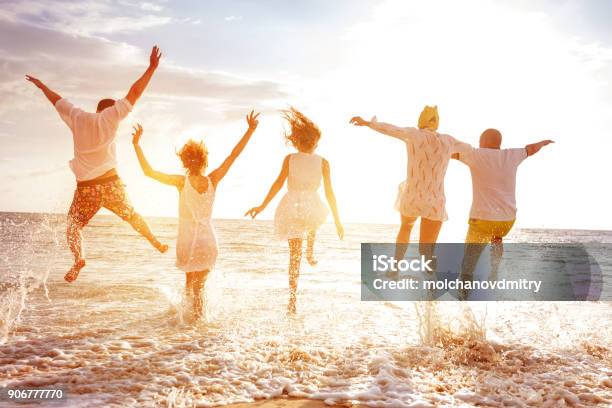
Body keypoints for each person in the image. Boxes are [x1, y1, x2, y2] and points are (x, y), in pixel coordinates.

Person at [25, 46, 168, 283]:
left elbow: (56, 100)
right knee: (132, 216)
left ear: (97, 108)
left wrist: (41, 86)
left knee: (73, 227)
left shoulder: (77, 117)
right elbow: (134, 92)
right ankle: (155, 241)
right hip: (111, 183)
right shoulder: (111, 117)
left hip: (86, 190)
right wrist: (151, 68)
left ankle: (78, 259)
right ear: (110, 109)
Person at [132, 111, 260, 318]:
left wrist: (136, 145)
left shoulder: (180, 182)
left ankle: (190, 327)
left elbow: (149, 172)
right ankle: (195, 330)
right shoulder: (214, 179)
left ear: (184, 162)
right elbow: (233, 156)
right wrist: (250, 130)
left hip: (187, 240)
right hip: (208, 240)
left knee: (190, 284)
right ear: (204, 160)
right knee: (200, 287)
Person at [350, 106, 473, 275]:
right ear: (437, 122)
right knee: (426, 249)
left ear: (421, 121)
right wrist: (450, 154)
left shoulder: (414, 134)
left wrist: (367, 123)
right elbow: (470, 150)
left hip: (413, 196)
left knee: (406, 228)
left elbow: (391, 129)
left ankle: (395, 267)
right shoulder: (448, 141)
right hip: (435, 200)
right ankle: (430, 283)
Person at [245, 108, 344, 314]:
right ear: (315, 142)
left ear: (297, 140)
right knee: (313, 220)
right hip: (311, 205)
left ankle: (292, 298)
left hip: (291, 205)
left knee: (293, 255)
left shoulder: (290, 159)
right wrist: (337, 220)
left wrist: (262, 205)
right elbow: (330, 193)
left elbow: (278, 184)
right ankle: (310, 251)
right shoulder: (323, 162)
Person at [453, 128, 554, 289]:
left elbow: (451, 153)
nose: (478, 143)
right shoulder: (511, 155)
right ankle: (494, 269)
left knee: (468, 264)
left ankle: (463, 299)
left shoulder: (476, 154)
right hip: (507, 220)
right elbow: (530, 149)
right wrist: (542, 143)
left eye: (480, 140)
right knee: (497, 237)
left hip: (482, 220)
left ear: (484, 141)